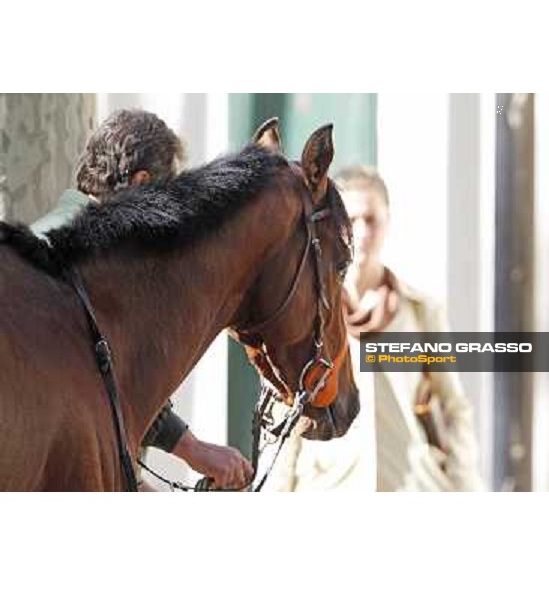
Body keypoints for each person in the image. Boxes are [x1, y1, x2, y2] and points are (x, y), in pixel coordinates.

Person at [30, 108, 253, 491]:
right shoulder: (81, 259)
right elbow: (111, 382)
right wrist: (193, 449)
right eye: (164, 200)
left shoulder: (42, 242)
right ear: (140, 184)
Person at [267, 166, 484, 492]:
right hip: (328, 489)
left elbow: (454, 407)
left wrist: (465, 486)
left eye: (372, 219)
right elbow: (287, 412)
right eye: (352, 220)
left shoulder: (420, 313)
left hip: (412, 486)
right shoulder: (308, 315)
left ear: (388, 222)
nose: (363, 232)